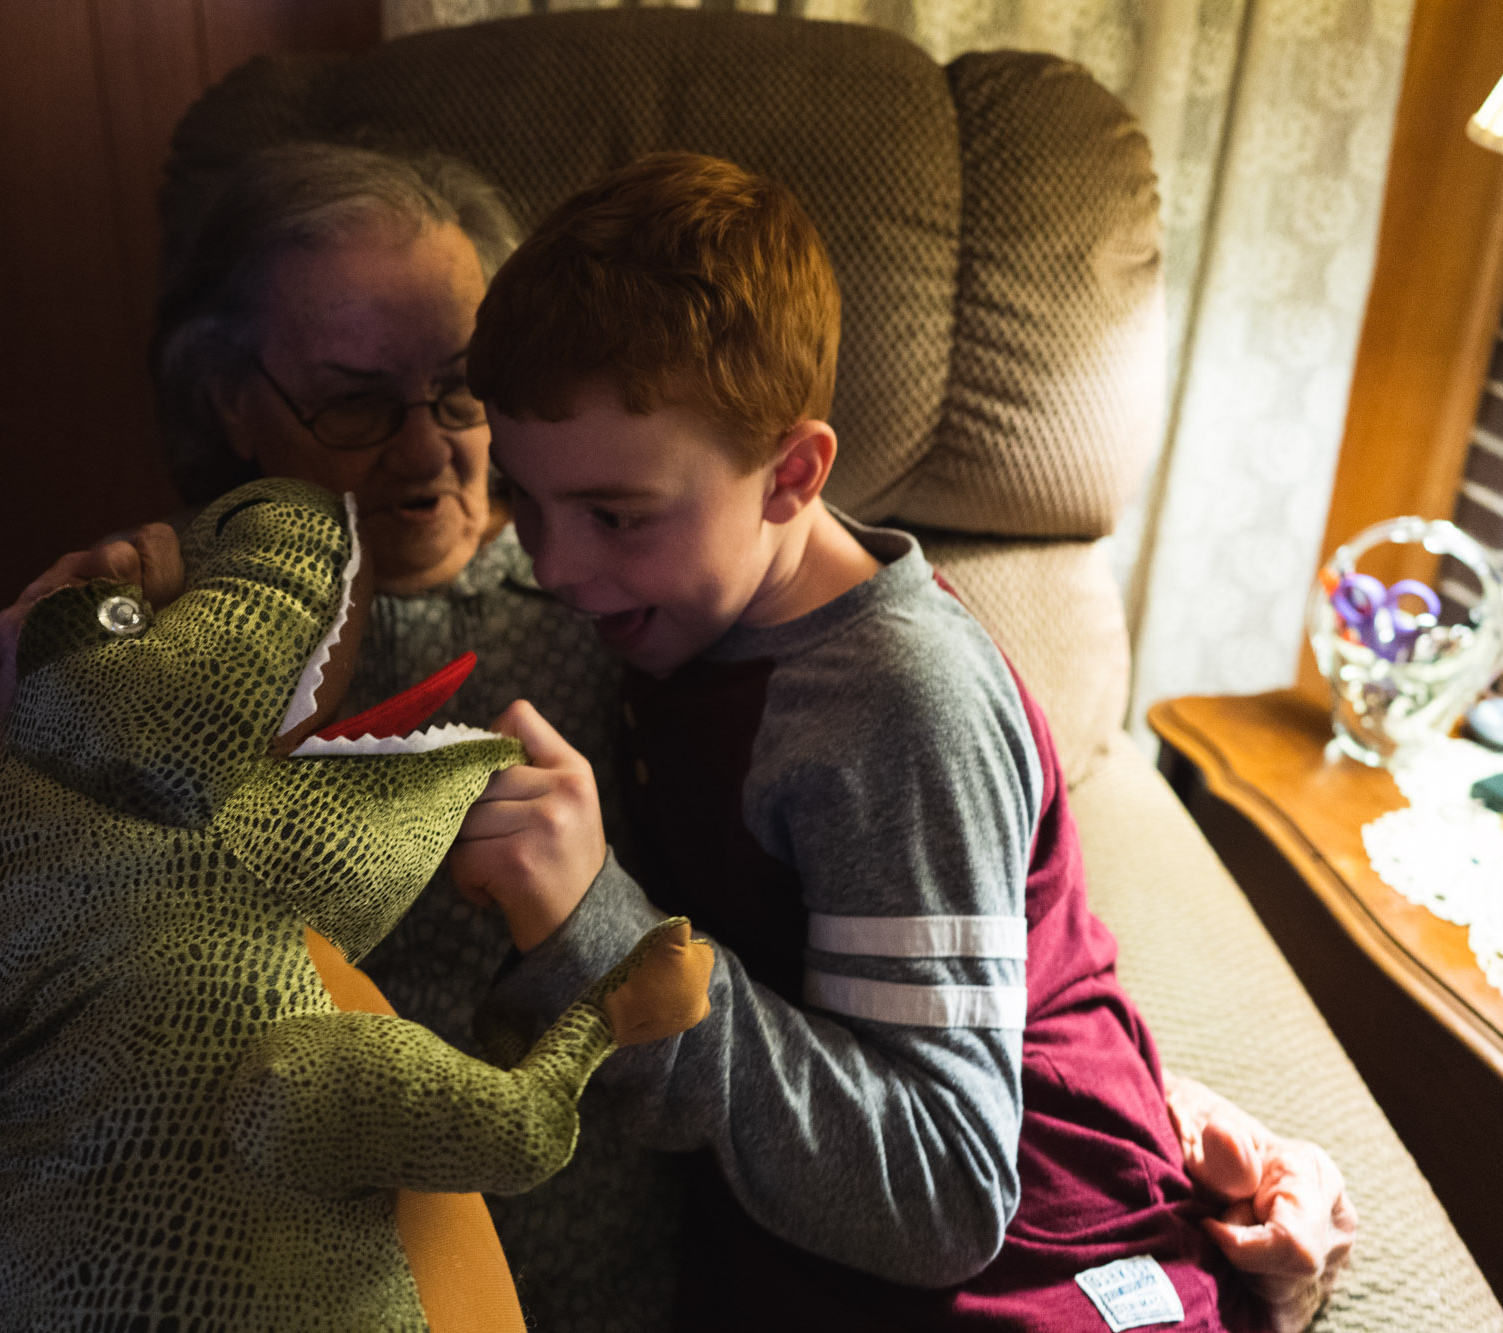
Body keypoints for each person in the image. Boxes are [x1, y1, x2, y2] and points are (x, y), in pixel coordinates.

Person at [0, 142, 1352, 1333]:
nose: (439, 453)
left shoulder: (632, 600)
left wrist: (1144, 1123)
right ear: (228, 402)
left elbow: (933, 911)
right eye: (354, 403)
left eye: (462, 395)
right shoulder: (164, 637)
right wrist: (34, 761)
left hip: (591, 1254)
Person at [450, 152, 1352, 1332]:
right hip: (838, 1164)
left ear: (790, 476)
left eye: (615, 515)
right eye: (522, 497)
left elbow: (943, 1191)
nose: (554, 567)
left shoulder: (892, 710)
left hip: (1028, 1247)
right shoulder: (681, 607)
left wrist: (610, 951)